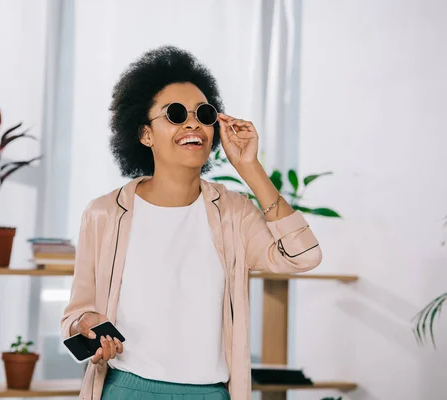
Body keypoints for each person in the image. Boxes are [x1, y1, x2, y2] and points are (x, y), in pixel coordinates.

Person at [60, 45, 322, 400]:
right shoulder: (105, 213)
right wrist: (86, 325)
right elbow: (77, 312)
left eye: (204, 113)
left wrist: (249, 167)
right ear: (145, 134)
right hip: (126, 388)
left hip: (208, 393)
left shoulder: (234, 213)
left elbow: (301, 256)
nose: (192, 122)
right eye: (176, 114)